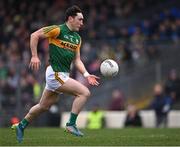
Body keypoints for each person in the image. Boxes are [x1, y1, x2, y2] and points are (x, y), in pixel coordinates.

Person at [11, 5, 100, 143]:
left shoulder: (77, 38)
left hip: (62, 74)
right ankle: (71, 124)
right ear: (70, 18)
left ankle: (21, 125)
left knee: (44, 106)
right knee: (84, 93)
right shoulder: (57, 29)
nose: (82, 23)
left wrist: (87, 74)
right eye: (80, 19)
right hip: (55, 73)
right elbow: (34, 35)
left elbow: (77, 60)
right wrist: (34, 56)